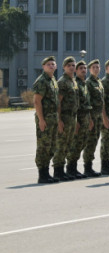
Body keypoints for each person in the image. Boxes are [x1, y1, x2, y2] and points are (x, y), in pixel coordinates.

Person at [33, 56, 60, 184]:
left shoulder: (53, 80)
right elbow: (37, 101)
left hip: (53, 118)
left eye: (53, 64)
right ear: (43, 67)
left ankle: (46, 172)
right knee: (43, 146)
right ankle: (42, 174)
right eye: (48, 64)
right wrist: (41, 120)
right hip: (45, 118)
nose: (51, 66)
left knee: (51, 145)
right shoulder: (42, 81)